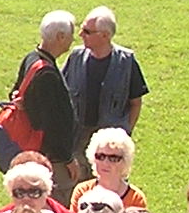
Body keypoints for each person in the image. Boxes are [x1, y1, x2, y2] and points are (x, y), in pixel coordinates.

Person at [0, 12, 77, 181]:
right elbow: (50, 123)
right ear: (60, 37)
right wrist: (68, 158)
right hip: (49, 158)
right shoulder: (47, 75)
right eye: (70, 36)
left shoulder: (32, 58)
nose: (72, 40)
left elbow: (16, 92)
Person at [61, 8, 148, 138]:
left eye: (87, 31)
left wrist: (126, 131)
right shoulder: (75, 57)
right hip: (77, 138)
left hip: (110, 140)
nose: (80, 34)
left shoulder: (127, 62)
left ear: (105, 35)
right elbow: (60, 94)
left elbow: (135, 102)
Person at [71, 129, 144, 210]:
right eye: (100, 156)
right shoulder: (82, 191)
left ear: (125, 161)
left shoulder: (135, 198)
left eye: (113, 158)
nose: (105, 163)